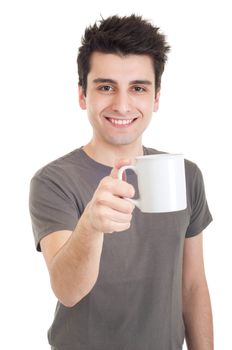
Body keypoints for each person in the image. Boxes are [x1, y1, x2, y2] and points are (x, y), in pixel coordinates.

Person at [29, 14, 214, 350]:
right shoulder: (54, 181)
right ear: (83, 95)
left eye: (138, 88)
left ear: (156, 97)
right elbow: (67, 290)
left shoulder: (186, 176)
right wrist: (91, 225)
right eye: (105, 87)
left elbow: (193, 286)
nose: (122, 104)